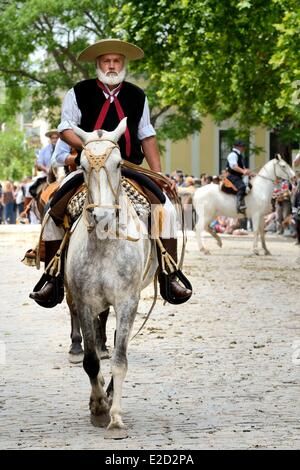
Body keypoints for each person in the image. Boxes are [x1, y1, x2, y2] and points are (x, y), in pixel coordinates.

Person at [29, 38, 192, 305]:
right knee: (54, 208)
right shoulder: (78, 92)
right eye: (107, 61)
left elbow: (147, 135)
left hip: (126, 168)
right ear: (98, 64)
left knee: (165, 209)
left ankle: (169, 273)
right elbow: (65, 128)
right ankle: (53, 276)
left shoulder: (138, 96)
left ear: (123, 64)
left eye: (117, 61)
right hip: (88, 168)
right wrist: (92, 150)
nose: (112, 65)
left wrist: (158, 175)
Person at [226, 139, 252, 213]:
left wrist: (249, 173)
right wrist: (243, 171)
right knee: (242, 186)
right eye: (243, 146)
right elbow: (234, 166)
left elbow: (242, 168)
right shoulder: (233, 155)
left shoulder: (239, 156)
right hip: (232, 176)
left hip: (237, 176)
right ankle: (239, 205)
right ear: (238, 147)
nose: (244, 148)